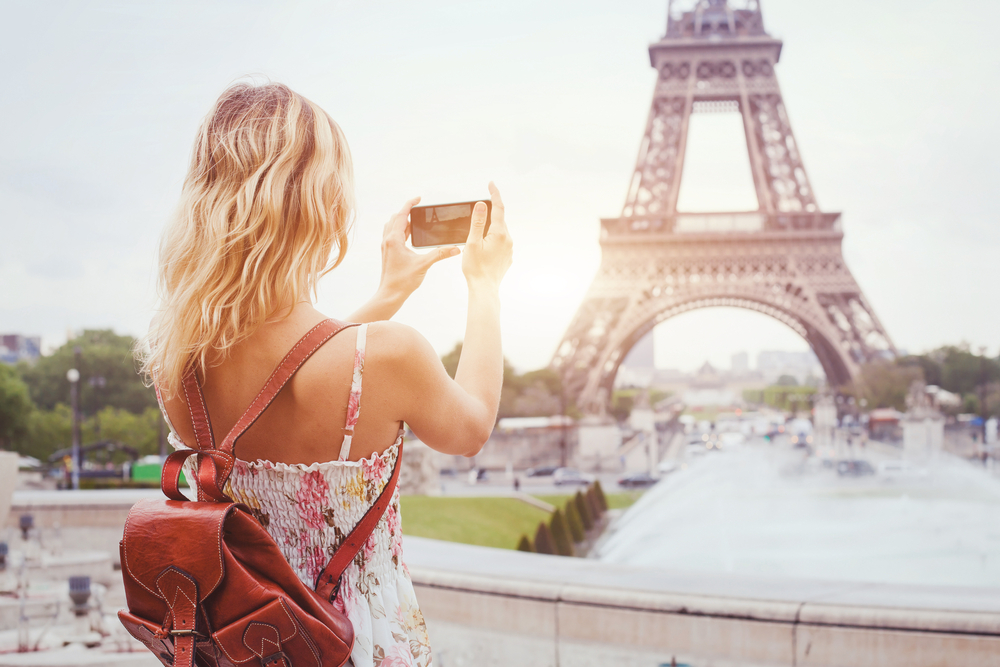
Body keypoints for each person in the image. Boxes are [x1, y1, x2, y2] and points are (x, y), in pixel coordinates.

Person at [140, 82, 512, 667]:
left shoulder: (177, 361)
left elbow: (285, 378)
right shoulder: (391, 357)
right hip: (349, 641)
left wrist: (388, 293)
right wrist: (484, 284)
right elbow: (470, 429)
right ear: (323, 203)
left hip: (244, 643)